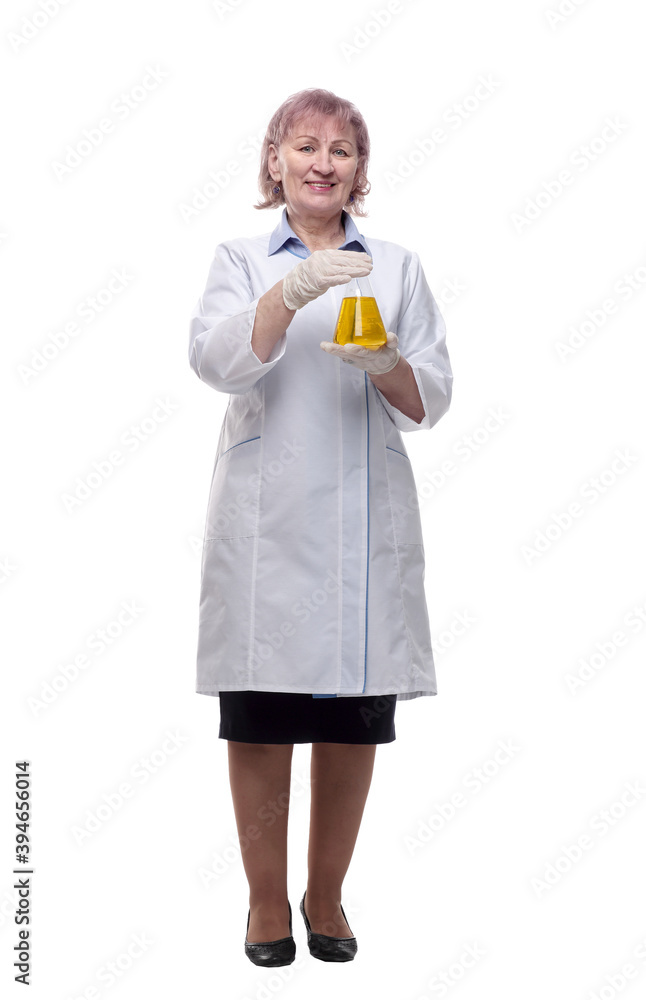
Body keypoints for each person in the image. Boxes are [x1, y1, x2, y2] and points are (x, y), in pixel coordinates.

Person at [188, 88, 453, 966]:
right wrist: (291, 290)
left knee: (351, 722)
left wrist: (386, 362)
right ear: (275, 162)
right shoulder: (238, 257)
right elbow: (218, 362)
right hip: (267, 531)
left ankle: (326, 893)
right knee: (261, 719)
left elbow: (430, 405)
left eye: (341, 151)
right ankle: (266, 902)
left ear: (360, 171)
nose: (321, 162)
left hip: (360, 534)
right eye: (304, 146)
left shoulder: (400, 266)